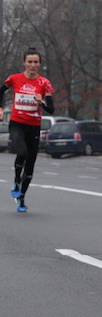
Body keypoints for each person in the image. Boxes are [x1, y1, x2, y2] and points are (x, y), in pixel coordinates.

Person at [0, 48, 55, 213]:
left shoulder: (44, 83)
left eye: (36, 62)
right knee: (22, 152)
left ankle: (21, 197)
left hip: (34, 127)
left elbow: (51, 109)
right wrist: (0, 108)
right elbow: (1, 90)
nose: (33, 65)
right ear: (24, 63)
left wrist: (41, 102)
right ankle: (16, 180)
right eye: (30, 62)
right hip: (17, 124)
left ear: (39, 64)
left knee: (30, 167)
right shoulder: (14, 79)